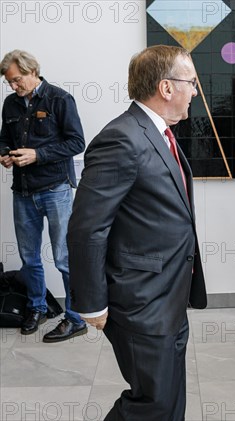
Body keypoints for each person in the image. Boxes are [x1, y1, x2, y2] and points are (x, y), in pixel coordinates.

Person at [67, 45, 207, 420]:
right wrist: (91, 301)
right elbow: (87, 226)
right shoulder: (122, 138)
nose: (195, 91)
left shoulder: (160, 133)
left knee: (170, 395)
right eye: (191, 82)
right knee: (153, 402)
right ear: (166, 87)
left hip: (170, 295)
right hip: (141, 300)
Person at [0, 50, 86, 342]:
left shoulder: (60, 99)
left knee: (63, 257)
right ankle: (36, 308)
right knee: (29, 259)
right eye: (9, 82)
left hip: (56, 190)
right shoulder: (10, 105)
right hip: (22, 193)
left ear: (32, 70)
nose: (14, 87)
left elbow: (77, 142)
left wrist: (37, 154)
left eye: (17, 80)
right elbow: (4, 139)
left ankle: (75, 318)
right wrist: (4, 154)